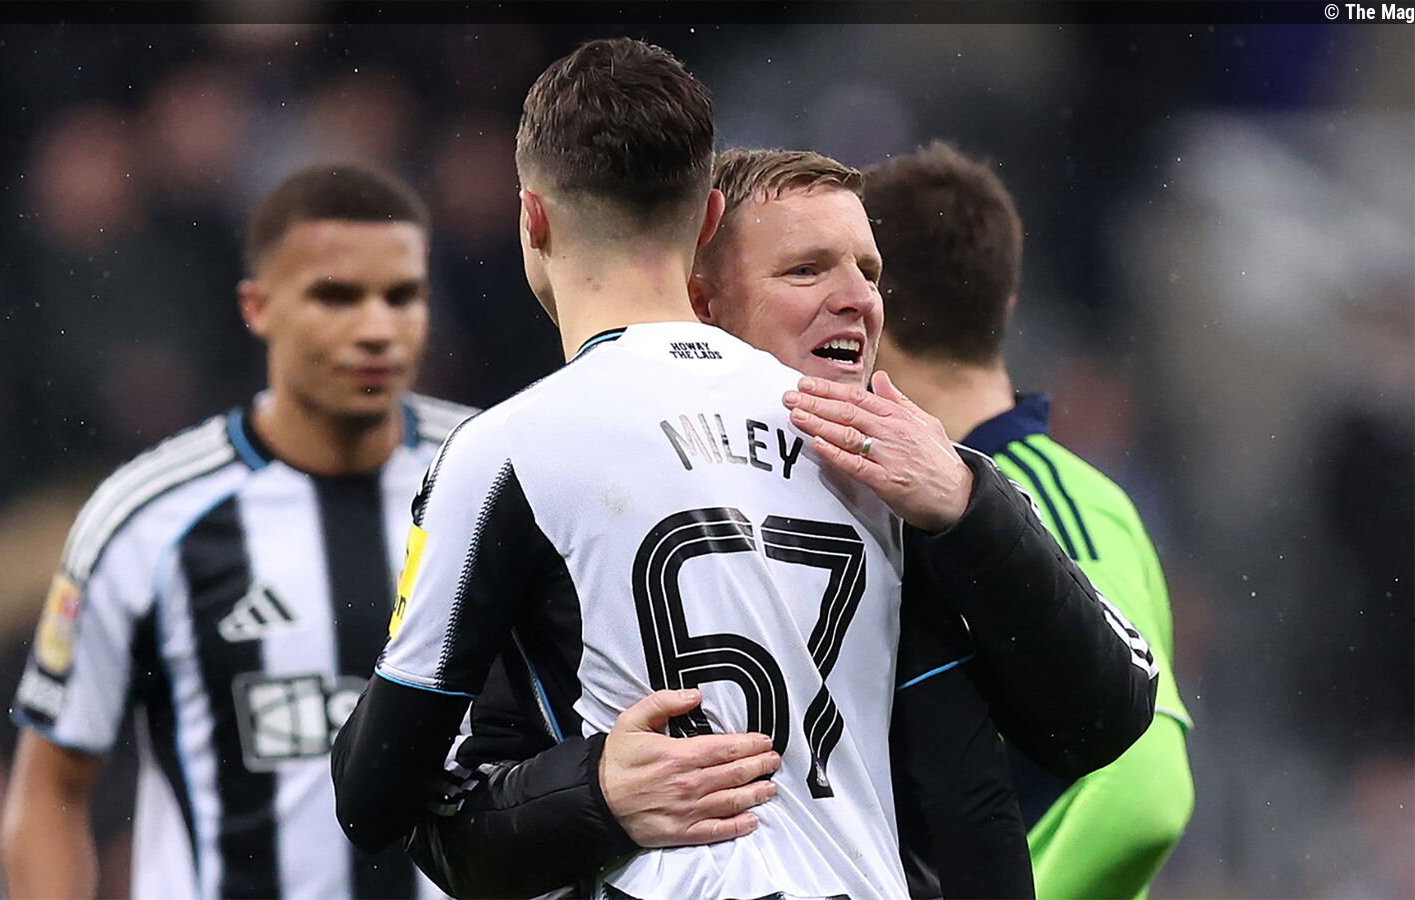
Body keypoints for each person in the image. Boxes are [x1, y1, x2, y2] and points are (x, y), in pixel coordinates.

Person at [333, 41, 1153, 899]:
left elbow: (1107, 722)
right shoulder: (555, 498)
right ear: (702, 268)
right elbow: (451, 819)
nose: (859, 298)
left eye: (870, 271)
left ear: (533, 220)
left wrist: (970, 504)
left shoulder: (927, 490)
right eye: (806, 270)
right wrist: (594, 795)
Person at [0, 163, 465, 899]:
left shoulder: (499, 481)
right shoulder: (147, 519)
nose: (377, 328)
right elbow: (52, 786)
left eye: (401, 296)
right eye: (336, 296)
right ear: (258, 307)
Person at [863, 141, 1194, 899]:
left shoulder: (1043, 501)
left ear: (868, 306)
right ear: (1004, 303)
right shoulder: (930, 506)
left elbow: (1144, 793)